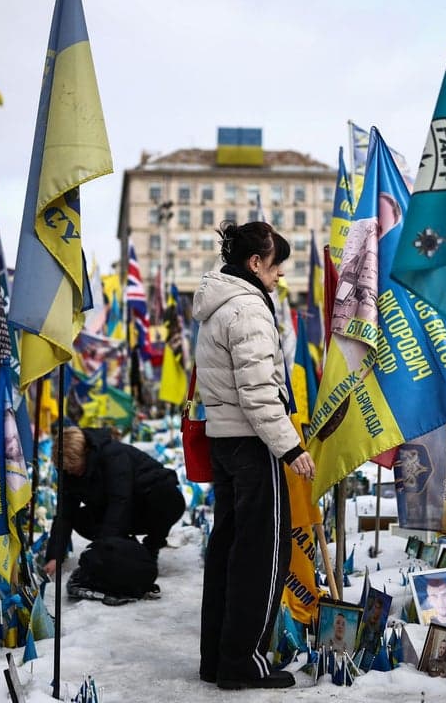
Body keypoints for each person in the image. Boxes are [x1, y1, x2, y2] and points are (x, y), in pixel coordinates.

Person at [194, 221, 316, 690]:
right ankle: (243, 659)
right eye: (276, 264)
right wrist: (289, 447)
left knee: (227, 549)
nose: (280, 274)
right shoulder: (247, 309)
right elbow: (259, 391)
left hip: (225, 440)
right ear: (255, 264)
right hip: (253, 442)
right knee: (261, 555)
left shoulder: (217, 305)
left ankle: (218, 657)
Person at [42, 425, 185, 581]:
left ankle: (150, 548)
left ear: (86, 453)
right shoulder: (69, 472)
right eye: (67, 470)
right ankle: (128, 546)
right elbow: (64, 514)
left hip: (147, 504)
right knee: (79, 518)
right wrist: (55, 556)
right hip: (118, 508)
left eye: (74, 468)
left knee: (166, 496)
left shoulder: (113, 455)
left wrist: (103, 549)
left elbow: (120, 502)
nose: (71, 473)